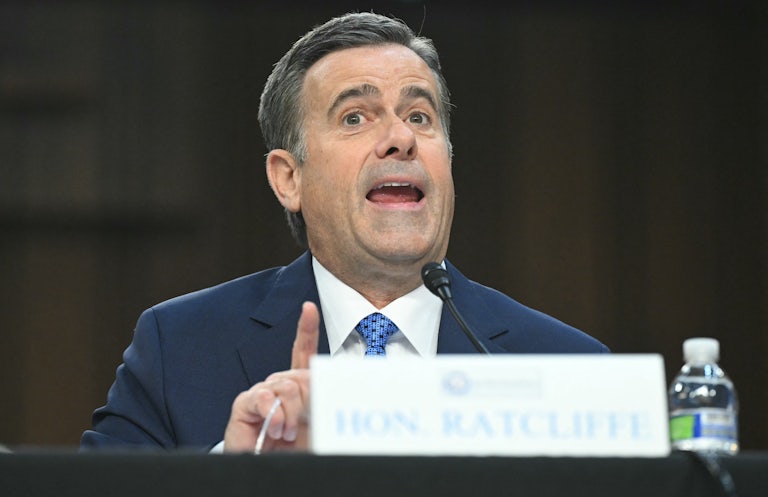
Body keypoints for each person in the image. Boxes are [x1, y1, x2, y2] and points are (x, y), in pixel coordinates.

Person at [81, 11, 608, 453]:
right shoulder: (181, 348)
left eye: (420, 116)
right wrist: (230, 478)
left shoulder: (569, 366)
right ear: (289, 179)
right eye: (356, 117)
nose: (400, 138)